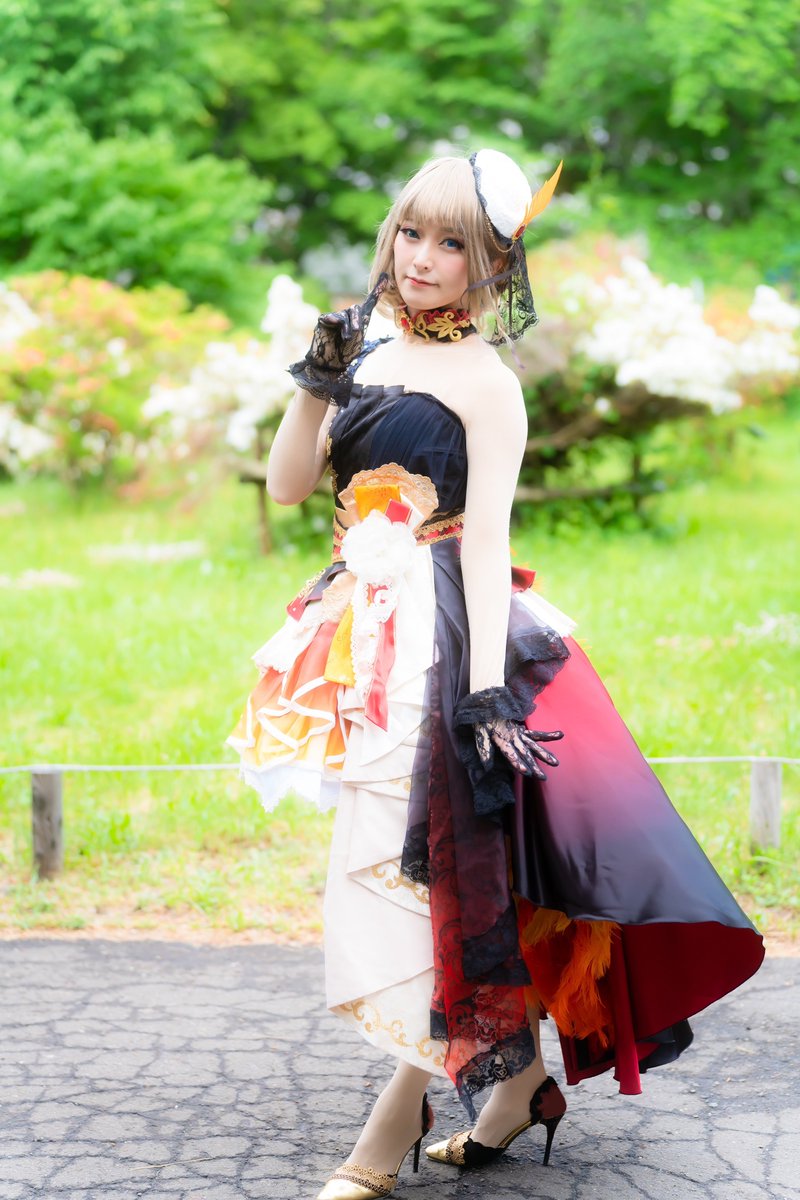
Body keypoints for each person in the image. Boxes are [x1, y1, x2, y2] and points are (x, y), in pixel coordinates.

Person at [227, 149, 764, 1200]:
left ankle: (391, 1127)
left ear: (492, 265)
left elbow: (484, 548)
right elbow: (291, 486)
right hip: (358, 634)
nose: (422, 258)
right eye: (411, 232)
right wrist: (315, 382)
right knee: (416, 869)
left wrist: (481, 697)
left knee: (433, 875)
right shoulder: (363, 346)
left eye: (452, 243)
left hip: (441, 640)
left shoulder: (487, 384)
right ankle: (514, 1088)